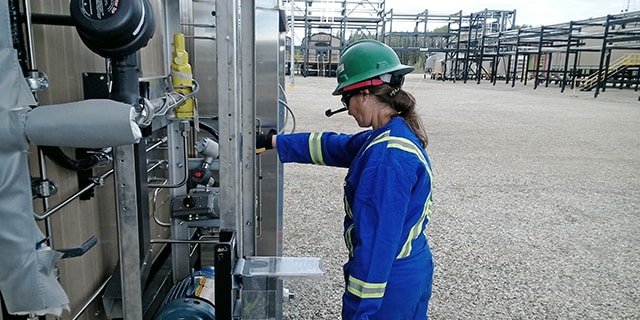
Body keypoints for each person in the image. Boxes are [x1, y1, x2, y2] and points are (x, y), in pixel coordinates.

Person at [257, 39, 434, 320]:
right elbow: (332, 146)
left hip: (389, 283)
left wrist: (358, 311)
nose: (348, 109)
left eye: (345, 99)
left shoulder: (386, 160)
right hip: (411, 267)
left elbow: (376, 247)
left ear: (364, 93)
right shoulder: (392, 133)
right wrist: (274, 141)